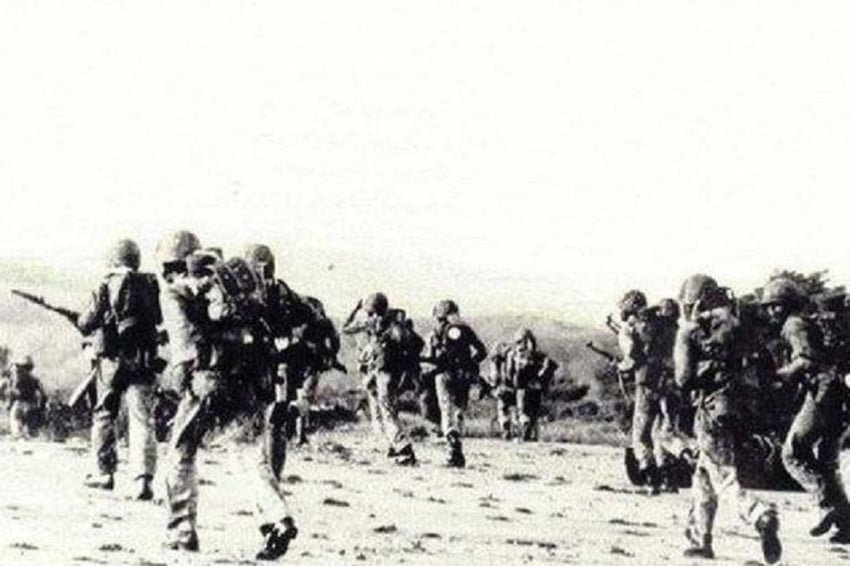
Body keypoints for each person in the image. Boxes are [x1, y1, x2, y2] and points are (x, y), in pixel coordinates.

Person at [158, 232, 298, 559]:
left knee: (181, 450)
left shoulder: (175, 291)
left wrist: (182, 385)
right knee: (247, 454)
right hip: (249, 381)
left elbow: (184, 348)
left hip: (209, 380)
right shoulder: (232, 280)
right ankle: (277, 516)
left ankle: (182, 532)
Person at [674, 274, 781, 563]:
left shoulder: (692, 330)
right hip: (744, 408)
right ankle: (701, 540)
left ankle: (759, 514)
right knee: (704, 474)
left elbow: (683, 379)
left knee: (722, 476)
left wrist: (687, 340)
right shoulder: (739, 324)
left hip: (712, 409)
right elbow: (765, 365)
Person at [761, 278, 850, 543]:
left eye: (776, 305)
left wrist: (780, 375)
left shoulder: (793, 325)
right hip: (838, 391)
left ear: (787, 305)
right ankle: (845, 524)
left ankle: (827, 503)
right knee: (826, 460)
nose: (771, 312)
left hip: (824, 391)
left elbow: (807, 359)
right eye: (769, 307)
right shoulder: (809, 322)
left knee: (792, 452)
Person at [77, 239, 161, 500]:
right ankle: (143, 480)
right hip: (144, 359)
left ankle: (104, 473)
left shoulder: (106, 283)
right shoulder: (151, 283)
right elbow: (159, 318)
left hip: (112, 361)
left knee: (104, 414)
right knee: (142, 418)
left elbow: (86, 322)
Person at [342, 292, 417, 465]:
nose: (370, 316)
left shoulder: (383, 325)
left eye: (370, 312)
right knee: (384, 409)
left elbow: (346, 329)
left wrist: (355, 310)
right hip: (383, 372)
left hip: (385, 372)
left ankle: (404, 448)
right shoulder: (393, 324)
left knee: (387, 411)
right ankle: (393, 444)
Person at [421, 299, 487, 468]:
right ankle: (458, 445)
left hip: (444, 374)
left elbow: (431, 357)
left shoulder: (435, 332)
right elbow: (482, 351)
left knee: (446, 409)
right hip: (464, 375)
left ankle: (452, 446)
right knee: (459, 409)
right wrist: (470, 363)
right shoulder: (466, 329)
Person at [494, 329, 557, 441]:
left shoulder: (511, 354)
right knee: (529, 412)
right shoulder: (539, 356)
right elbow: (551, 368)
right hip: (532, 390)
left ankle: (506, 424)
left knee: (505, 407)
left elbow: (504, 370)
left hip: (515, 389)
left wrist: (498, 382)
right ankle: (526, 429)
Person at [3, 354, 46, 439]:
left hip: (18, 407)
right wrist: (41, 408)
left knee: (17, 434)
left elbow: (9, 393)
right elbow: (44, 395)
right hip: (32, 407)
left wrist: (8, 404)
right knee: (32, 435)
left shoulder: (13, 379)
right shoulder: (35, 380)